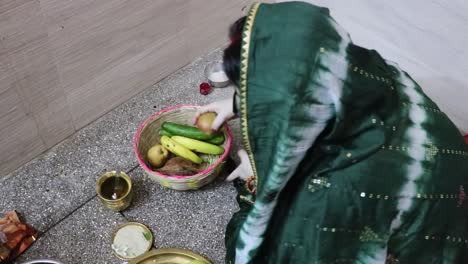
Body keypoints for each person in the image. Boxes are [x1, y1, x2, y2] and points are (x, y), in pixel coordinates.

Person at [194, 2, 468, 263]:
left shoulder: (325, 197)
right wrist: (239, 104)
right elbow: (309, 86)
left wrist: (253, 183)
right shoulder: (375, 72)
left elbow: (258, 252)